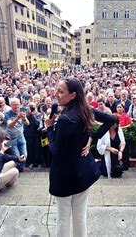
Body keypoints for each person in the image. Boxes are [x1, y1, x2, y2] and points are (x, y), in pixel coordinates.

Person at [45, 77, 116, 237]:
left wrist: (49, 128)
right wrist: (93, 137)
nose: (56, 94)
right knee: (80, 216)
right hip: (83, 172)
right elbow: (111, 119)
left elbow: (55, 150)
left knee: (63, 218)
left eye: (61, 91)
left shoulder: (65, 120)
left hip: (65, 176)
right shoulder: (85, 109)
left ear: (73, 95)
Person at [4, 98, 29, 171]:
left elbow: (27, 123)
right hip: (11, 138)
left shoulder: (21, 111)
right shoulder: (7, 114)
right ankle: (17, 169)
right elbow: (9, 125)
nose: (16, 107)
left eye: (17, 105)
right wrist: (18, 117)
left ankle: (20, 168)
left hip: (21, 136)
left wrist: (24, 118)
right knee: (16, 155)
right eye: (14, 105)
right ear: (11, 105)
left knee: (24, 154)